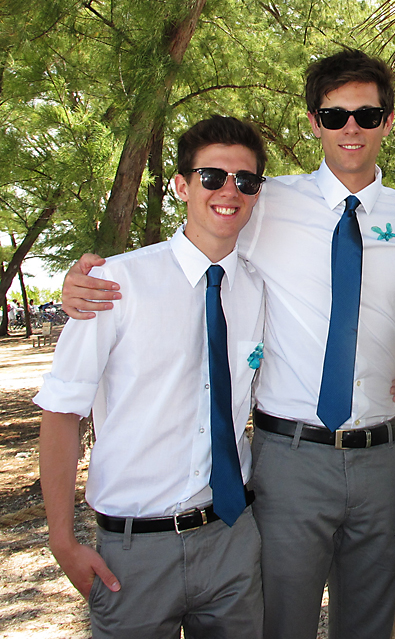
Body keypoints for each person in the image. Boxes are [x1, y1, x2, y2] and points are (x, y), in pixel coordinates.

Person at [59, 49, 395, 639]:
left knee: (369, 623)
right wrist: (84, 281)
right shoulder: (264, 201)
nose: (350, 129)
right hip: (290, 459)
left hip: (385, 457)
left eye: (366, 114)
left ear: (388, 120)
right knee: (284, 622)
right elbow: (199, 236)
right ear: (314, 122)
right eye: (334, 116)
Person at [35, 116, 267, 638]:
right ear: (182, 186)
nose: (229, 191)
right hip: (134, 554)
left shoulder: (256, 289)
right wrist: (62, 540)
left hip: (231, 538)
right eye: (212, 176)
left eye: (245, 181)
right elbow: (61, 410)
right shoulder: (114, 283)